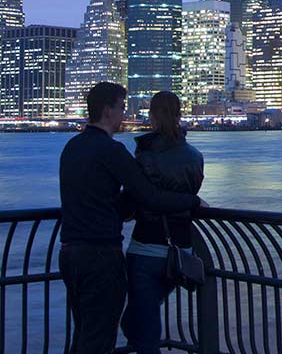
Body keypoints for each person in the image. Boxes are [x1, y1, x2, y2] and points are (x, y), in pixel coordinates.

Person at [58, 82, 205, 354]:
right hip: (101, 253)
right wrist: (192, 201)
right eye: (121, 108)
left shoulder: (71, 147)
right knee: (99, 339)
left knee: (84, 331)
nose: (124, 114)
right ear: (107, 110)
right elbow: (148, 195)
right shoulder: (111, 151)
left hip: (69, 253)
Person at [121, 91, 204, 354]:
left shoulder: (144, 157)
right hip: (181, 251)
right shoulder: (195, 157)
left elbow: (135, 201)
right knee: (142, 321)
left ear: (152, 116)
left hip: (146, 247)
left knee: (142, 329)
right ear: (179, 115)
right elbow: (189, 195)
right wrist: (190, 202)